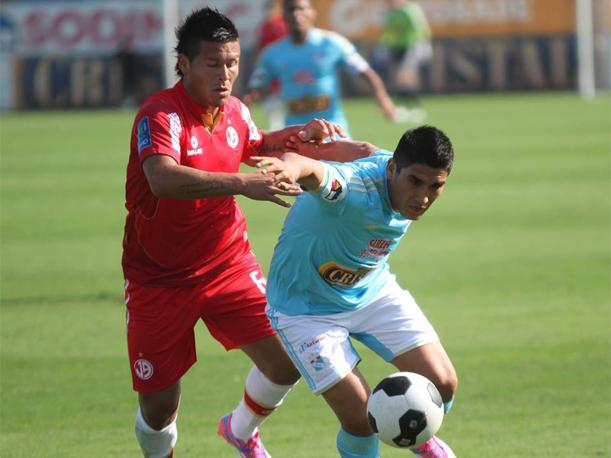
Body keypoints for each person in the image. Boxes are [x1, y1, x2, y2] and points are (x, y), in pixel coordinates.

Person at [122, 7, 362, 458]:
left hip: (226, 265)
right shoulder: (160, 114)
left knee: (287, 361)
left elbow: (254, 144)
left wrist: (298, 134)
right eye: (213, 63)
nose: (226, 73)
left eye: (232, 62)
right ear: (185, 64)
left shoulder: (234, 110)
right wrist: (241, 184)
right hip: (158, 279)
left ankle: (241, 429)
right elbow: (162, 178)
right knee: (158, 411)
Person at [253, 125, 458, 457]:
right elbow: (316, 173)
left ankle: (416, 429)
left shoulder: (387, 162)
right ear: (393, 168)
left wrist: (325, 146)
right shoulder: (352, 188)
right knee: (361, 418)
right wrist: (292, 165)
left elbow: (363, 148)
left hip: (370, 290)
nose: (423, 198)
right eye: (415, 182)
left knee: (444, 382)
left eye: (436, 186)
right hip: (305, 310)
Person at [246, 0, 397, 136]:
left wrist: (382, 97)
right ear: (284, 15)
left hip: (334, 133)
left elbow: (364, 71)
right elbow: (256, 86)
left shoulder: (332, 43)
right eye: (291, 9)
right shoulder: (272, 53)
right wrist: (246, 108)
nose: (297, 14)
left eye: (302, 9)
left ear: (313, 13)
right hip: (296, 137)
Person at [376, 0, 432, 122]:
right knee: (398, 77)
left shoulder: (409, 10)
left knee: (406, 75)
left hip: (411, 45)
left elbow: (420, 28)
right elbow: (387, 31)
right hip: (396, 47)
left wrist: (424, 44)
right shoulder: (390, 13)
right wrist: (385, 43)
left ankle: (415, 106)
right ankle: (404, 106)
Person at [254, 0, 289, 130]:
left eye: (272, 9)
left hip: (282, 71)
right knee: (271, 106)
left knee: (283, 104)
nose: (269, 12)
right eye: (267, 9)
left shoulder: (283, 26)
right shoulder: (264, 27)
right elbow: (260, 48)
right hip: (269, 71)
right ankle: (276, 131)